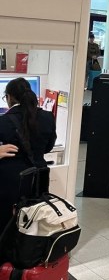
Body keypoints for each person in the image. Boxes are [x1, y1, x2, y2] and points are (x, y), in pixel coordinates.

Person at [0, 78, 56, 230]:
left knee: (7, 222)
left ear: (10, 97)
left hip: (11, 182)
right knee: (35, 219)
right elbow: (48, 147)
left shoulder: (3, 122)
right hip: (38, 178)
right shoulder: (48, 117)